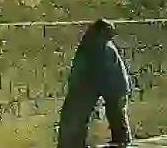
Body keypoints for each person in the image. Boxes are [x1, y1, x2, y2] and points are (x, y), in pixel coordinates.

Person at [57, 19, 133, 148]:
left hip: (114, 86)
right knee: (114, 115)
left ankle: (122, 142)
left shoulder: (100, 46)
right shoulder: (96, 44)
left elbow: (100, 73)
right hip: (105, 85)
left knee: (116, 116)